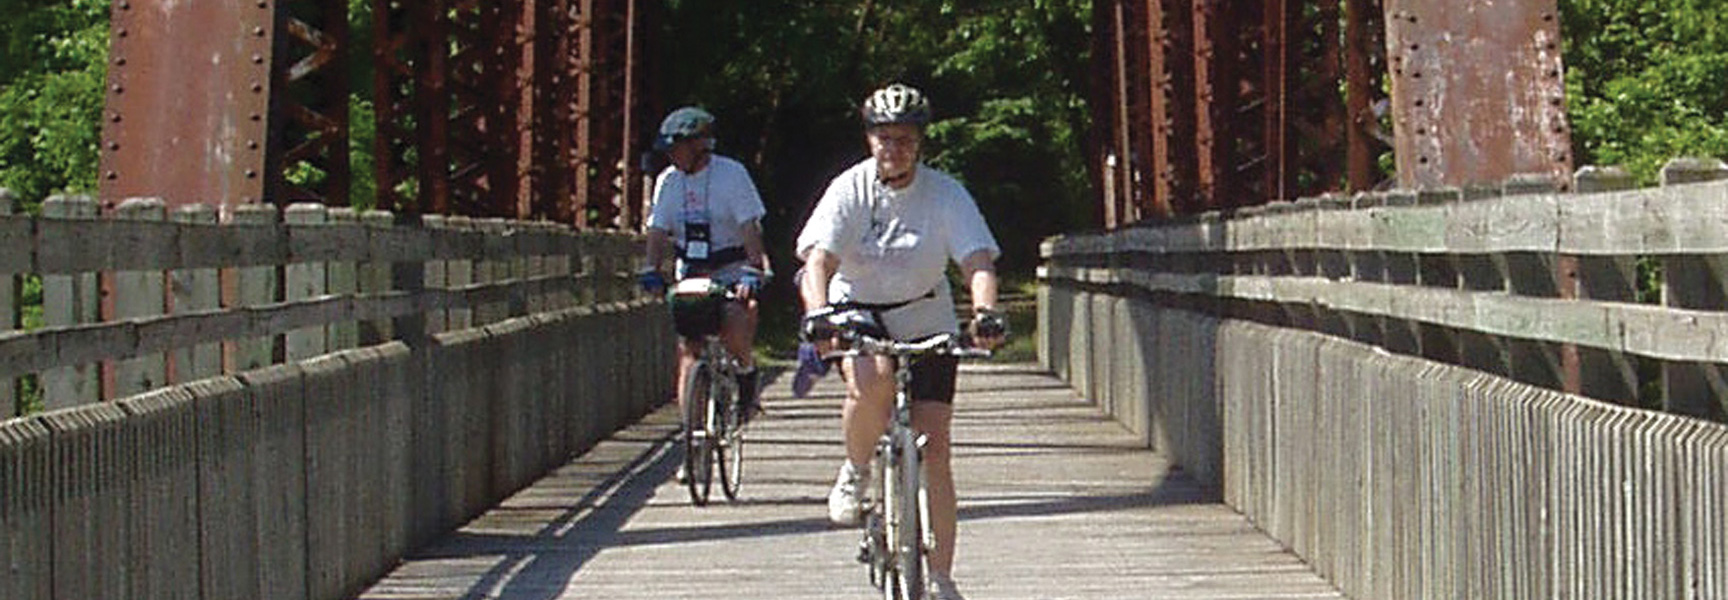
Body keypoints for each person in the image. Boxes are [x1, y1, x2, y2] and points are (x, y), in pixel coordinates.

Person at [794, 83, 1007, 600]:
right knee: (874, 380)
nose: (894, 150)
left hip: (924, 311)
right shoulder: (850, 189)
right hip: (857, 308)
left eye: (905, 140)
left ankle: (940, 576)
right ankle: (856, 468)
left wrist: (985, 313)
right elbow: (818, 262)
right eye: (884, 138)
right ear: (869, 139)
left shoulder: (944, 193)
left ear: (921, 143)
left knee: (935, 446)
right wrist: (820, 316)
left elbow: (977, 259)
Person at [639, 106, 770, 457]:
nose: (672, 154)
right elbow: (657, 230)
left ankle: (745, 374)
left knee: (735, 320)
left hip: (731, 266)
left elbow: (749, 229)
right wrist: (651, 267)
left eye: (678, 146)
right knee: (688, 349)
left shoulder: (732, 176)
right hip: (692, 270)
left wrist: (753, 271)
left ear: (699, 145)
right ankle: (692, 440)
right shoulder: (669, 181)